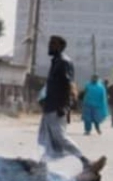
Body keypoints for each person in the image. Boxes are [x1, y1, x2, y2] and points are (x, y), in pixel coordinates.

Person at [39, 35, 93, 169]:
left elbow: (70, 85)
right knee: (45, 138)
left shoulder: (64, 62)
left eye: (53, 44)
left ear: (60, 46)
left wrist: (66, 106)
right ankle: (43, 164)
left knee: (60, 138)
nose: (49, 46)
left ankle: (84, 160)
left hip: (57, 107)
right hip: (50, 106)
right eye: (50, 43)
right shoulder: (56, 61)